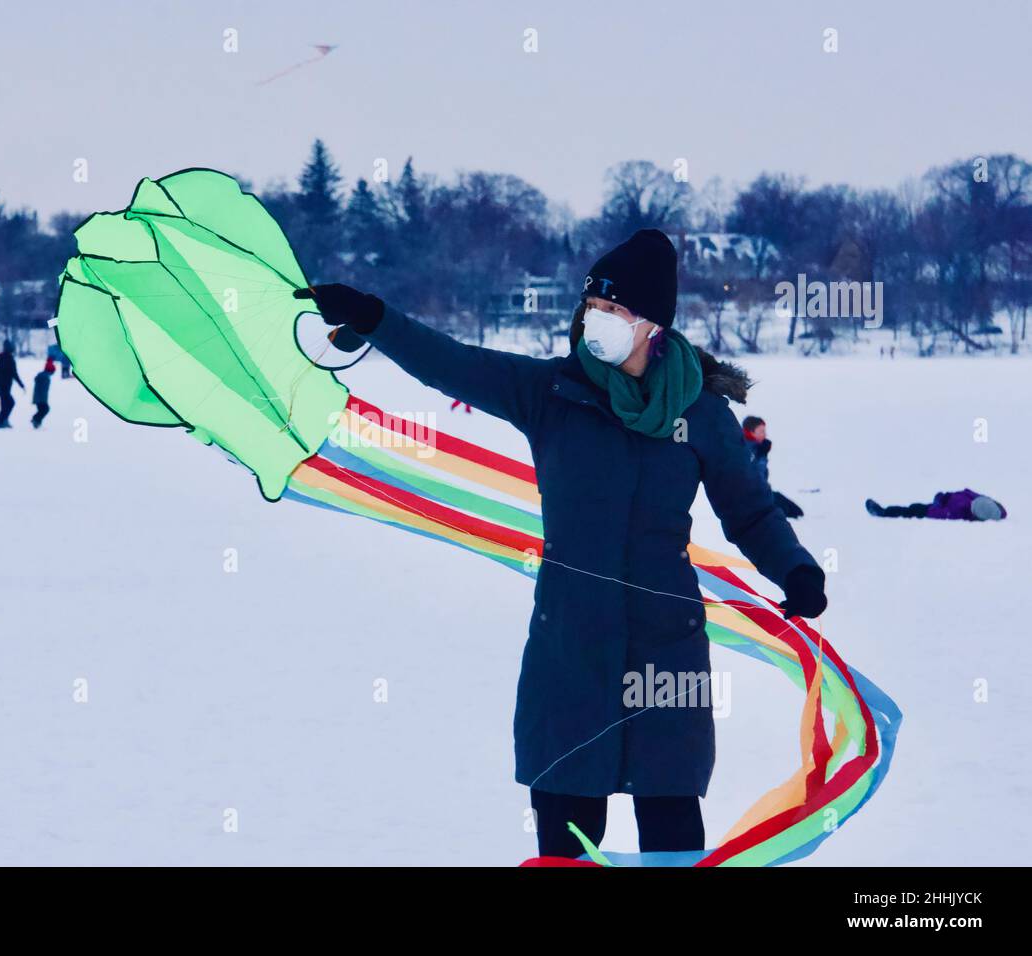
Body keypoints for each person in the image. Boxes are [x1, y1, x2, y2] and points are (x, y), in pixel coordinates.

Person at [295, 229, 826, 859]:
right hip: (570, 646)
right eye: (591, 307)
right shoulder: (551, 393)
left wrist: (796, 570)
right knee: (566, 843)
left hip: (667, 653)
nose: (594, 320)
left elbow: (750, 514)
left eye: (613, 310)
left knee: (673, 839)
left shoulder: (702, 414)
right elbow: (452, 362)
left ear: (651, 322)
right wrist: (374, 316)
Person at [741, 415, 803, 519]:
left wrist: (763, 454)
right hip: (751, 496)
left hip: (760, 491)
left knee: (794, 510)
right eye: (761, 431)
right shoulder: (748, 449)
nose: (765, 434)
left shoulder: (756, 447)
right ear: (751, 432)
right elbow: (753, 477)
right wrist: (762, 454)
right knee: (788, 511)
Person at [866, 490, 1006, 521]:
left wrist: (939, 502)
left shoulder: (960, 512)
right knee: (914, 506)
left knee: (912, 509)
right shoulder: (977, 499)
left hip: (932, 508)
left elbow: (940, 513)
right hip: (944, 500)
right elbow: (966, 490)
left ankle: (883, 512)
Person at [0, 339, 25, 428]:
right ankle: (1, 423)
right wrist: (21, 385)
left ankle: (3, 421)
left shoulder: (0, 358)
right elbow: (14, 373)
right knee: (9, 403)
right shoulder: (9, 359)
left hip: (1, 386)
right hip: (4, 387)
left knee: (7, 403)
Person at [32, 358, 54, 428]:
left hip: (39, 397)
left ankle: (37, 423)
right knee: (45, 409)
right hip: (41, 398)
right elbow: (43, 389)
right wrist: (43, 399)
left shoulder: (43, 375)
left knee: (42, 410)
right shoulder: (45, 377)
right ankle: (35, 419)